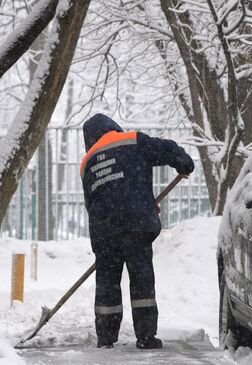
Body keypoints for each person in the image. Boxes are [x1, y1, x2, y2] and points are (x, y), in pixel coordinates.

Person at [80, 113, 195, 349]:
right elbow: (165, 149)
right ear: (113, 127)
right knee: (141, 279)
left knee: (107, 285)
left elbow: (93, 202)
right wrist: (184, 163)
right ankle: (145, 336)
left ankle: (106, 337)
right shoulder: (131, 141)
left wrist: (124, 212)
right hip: (136, 225)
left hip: (105, 230)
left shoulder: (88, 161)